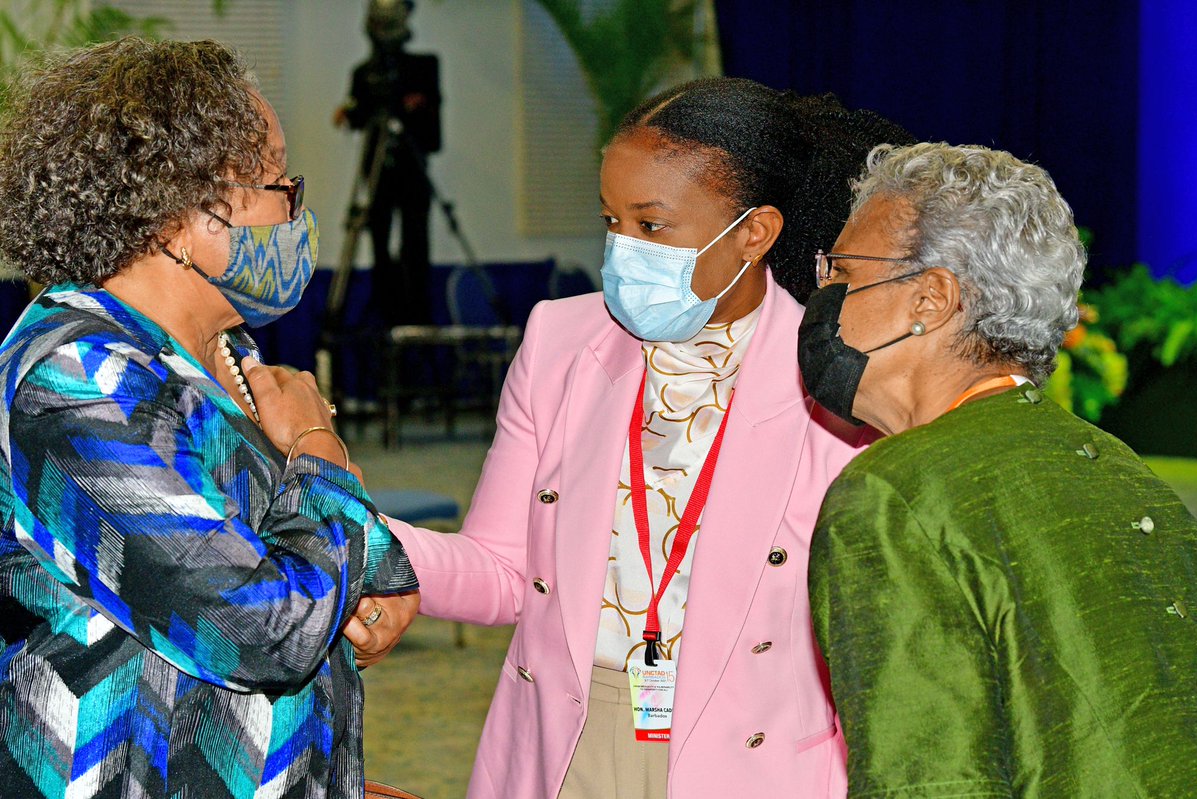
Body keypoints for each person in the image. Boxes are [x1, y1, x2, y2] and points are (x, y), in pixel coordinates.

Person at [384, 78, 912, 798]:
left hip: (755, 761)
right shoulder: (559, 342)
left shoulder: (836, 380)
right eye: (611, 221)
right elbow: (505, 573)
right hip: (564, 745)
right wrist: (358, 536)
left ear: (754, 233)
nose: (622, 249)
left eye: (651, 226)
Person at [0, 38, 420, 799]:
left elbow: (306, 541)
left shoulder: (223, 349)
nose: (296, 201)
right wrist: (320, 446)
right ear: (179, 219)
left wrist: (380, 582)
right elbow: (262, 631)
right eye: (275, 180)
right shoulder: (80, 376)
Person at [802, 142, 1197, 796]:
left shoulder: (893, 493)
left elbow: (930, 781)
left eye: (841, 272)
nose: (823, 297)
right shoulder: (1125, 472)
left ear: (930, 298)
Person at [335, 0, 442, 328]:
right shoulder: (363, 74)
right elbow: (357, 118)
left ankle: (417, 321)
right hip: (377, 176)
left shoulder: (424, 68)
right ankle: (386, 317)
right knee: (380, 249)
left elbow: (432, 135)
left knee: (416, 248)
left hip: (412, 172)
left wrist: (414, 109)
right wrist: (352, 111)